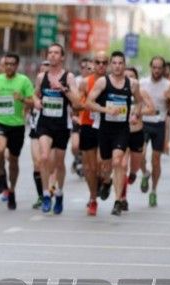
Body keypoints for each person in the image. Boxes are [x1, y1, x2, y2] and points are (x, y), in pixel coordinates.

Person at [86, 51, 142, 216]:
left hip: (122, 129)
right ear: (111, 65)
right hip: (105, 129)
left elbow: (139, 101)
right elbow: (89, 102)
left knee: (118, 161)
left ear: (124, 65)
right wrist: (106, 109)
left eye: (120, 63)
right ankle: (107, 181)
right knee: (106, 165)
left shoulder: (132, 84)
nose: (117, 66)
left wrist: (135, 114)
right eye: (115, 63)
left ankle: (118, 201)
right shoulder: (103, 82)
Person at [33, 44, 80, 215]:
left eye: (56, 53)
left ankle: (59, 193)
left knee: (59, 163)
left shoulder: (69, 77)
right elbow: (35, 94)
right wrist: (37, 102)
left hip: (62, 124)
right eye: (50, 53)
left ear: (62, 57)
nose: (52, 56)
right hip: (45, 122)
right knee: (44, 157)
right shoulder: (41, 77)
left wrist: (63, 89)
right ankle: (46, 194)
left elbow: (77, 102)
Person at [0, 52, 34, 210]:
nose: (8, 66)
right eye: (6, 64)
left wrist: (22, 99)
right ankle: (2, 175)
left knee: (14, 161)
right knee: (0, 148)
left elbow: (33, 102)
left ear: (17, 65)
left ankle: (12, 190)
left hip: (17, 125)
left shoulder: (24, 81)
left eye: (12, 64)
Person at [139, 56, 170, 207]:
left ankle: (153, 191)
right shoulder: (142, 82)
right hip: (144, 122)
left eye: (159, 67)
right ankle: (145, 173)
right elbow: (137, 102)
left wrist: (169, 100)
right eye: (154, 67)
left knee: (156, 160)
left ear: (163, 69)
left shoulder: (169, 84)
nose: (156, 70)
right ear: (150, 67)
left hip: (159, 124)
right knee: (140, 154)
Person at [120, 67, 155, 211]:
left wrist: (138, 112)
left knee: (135, 164)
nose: (129, 79)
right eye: (126, 76)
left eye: (132, 76)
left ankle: (135, 173)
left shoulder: (141, 92)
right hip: (121, 132)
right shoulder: (118, 91)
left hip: (136, 132)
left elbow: (152, 109)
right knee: (122, 165)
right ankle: (122, 198)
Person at [77, 51, 108, 216]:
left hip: (107, 127)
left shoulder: (113, 82)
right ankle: (93, 198)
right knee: (89, 167)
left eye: (104, 62)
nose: (101, 65)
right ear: (93, 64)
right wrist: (85, 104)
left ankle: (105, 181)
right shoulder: (84, 83)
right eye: (98, 62)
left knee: (102, 164)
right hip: (88, 125)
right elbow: (77, 104)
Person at [29, 60, 50, 209]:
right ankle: (42, 195)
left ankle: (50, 188)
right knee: (37, 163)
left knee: (50, 162)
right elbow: (26, 103)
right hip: (35, 129)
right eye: (41, 72)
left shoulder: (58, 88)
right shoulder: (34, 89)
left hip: (53, 129)